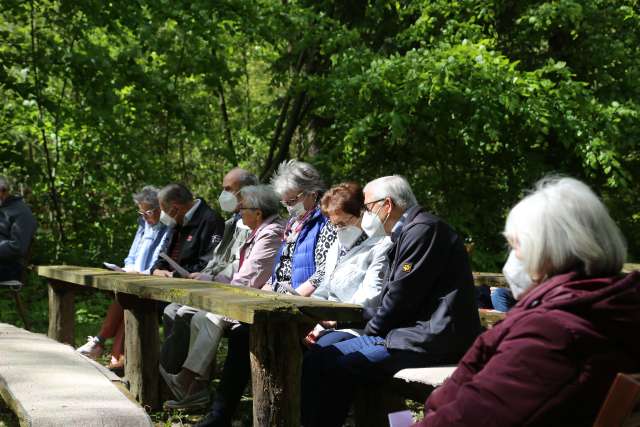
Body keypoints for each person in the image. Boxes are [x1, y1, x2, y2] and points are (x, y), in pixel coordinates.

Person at [412, 177, 640, 427]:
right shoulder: (611, 306)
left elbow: (468, 419)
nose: (511, 259)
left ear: (546, 252)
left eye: (515, 246)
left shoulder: (551, 332)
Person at [301, 175, 482, 427]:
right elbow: (395, 299)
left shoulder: (424, 231)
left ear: (387, 205)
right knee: (318, 357)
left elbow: (400, 299)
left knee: (344, 366)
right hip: (406, 335)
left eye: (366, 207)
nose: (364, 214)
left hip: (434, 339)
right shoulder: (408, 233)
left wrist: (369, 333)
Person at [195, 160, 336, 427]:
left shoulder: (325, 223)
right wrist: (270, 289)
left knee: (244, 335)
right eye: (284, 201)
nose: (287, 206)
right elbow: (280, 269)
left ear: (311, 193)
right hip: (281, 300)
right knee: (241, 333)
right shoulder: (294, 223)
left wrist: (293, 294)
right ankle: (226, 414)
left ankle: (237, 414)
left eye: (292, 199)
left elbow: (322, 274)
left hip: (308, 306)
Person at [161, 185, 285, 410]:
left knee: (210, 317)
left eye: (243, 208)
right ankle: (196, 390)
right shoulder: (258, 231)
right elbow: (237, 270)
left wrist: (216, 290)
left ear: (258, 213)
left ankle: (187, 380)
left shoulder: (271, 233)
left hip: (257, 301)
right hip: (243, 296)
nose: (238, 211)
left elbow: (250, 277)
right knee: (199, 317)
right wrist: (211, 279)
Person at [160, 169, 258, 374]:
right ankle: (173, 374)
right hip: (211, 285)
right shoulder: (232, 223)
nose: (223, 194)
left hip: (229, 292)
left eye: (228, 189)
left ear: (246, 191)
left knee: (187, 314)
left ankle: (178, 377)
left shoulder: (222, 221)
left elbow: (240, 268)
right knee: (172, 310)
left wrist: (206, 277)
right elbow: (216, 260)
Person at [76, 186, 167, 370]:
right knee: (125, 298)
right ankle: (113, 358)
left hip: (153, 283)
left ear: (160, 208)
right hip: (133, 278)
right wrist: (126, 268)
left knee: (130, 302)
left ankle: (104, 347)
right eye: (141, 212)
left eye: (147, 212)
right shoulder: (143, 225)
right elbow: (131, 256)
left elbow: (161, 259)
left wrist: (142, 273)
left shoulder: (167, 228)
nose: (144, 217)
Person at [305, 182, 393, 346]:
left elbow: (368, 300)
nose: (339, 230)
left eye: (343, 224)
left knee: (320, 353)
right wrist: (314, 321)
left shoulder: (381, 247)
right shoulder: (335, 248)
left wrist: (332, 321)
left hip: (355, 328)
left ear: (362, 214)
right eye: (335, 225)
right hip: (327, 325)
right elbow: (324, 290)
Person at [0, 175, 37, 282]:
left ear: (3, 191)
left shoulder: (21, 212)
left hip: (10, 267)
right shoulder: (3, 208)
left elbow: (17, 247)